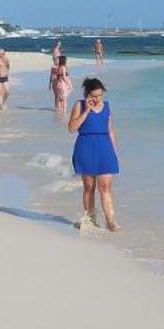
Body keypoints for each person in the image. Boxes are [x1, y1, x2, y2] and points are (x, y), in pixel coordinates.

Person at [68, 76, 120, 231]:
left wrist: (114, 152)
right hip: (86, 147)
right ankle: (90, 219)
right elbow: (71, 128)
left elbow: (110, 130)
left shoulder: (108, 106)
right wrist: (87, 111)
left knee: (105, 188)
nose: (97, 99)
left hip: (105, 148)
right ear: (87, 94)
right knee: (89, 187)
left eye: (100, 95)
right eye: (94, 96)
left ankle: (110, 221)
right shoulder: (80, 104)